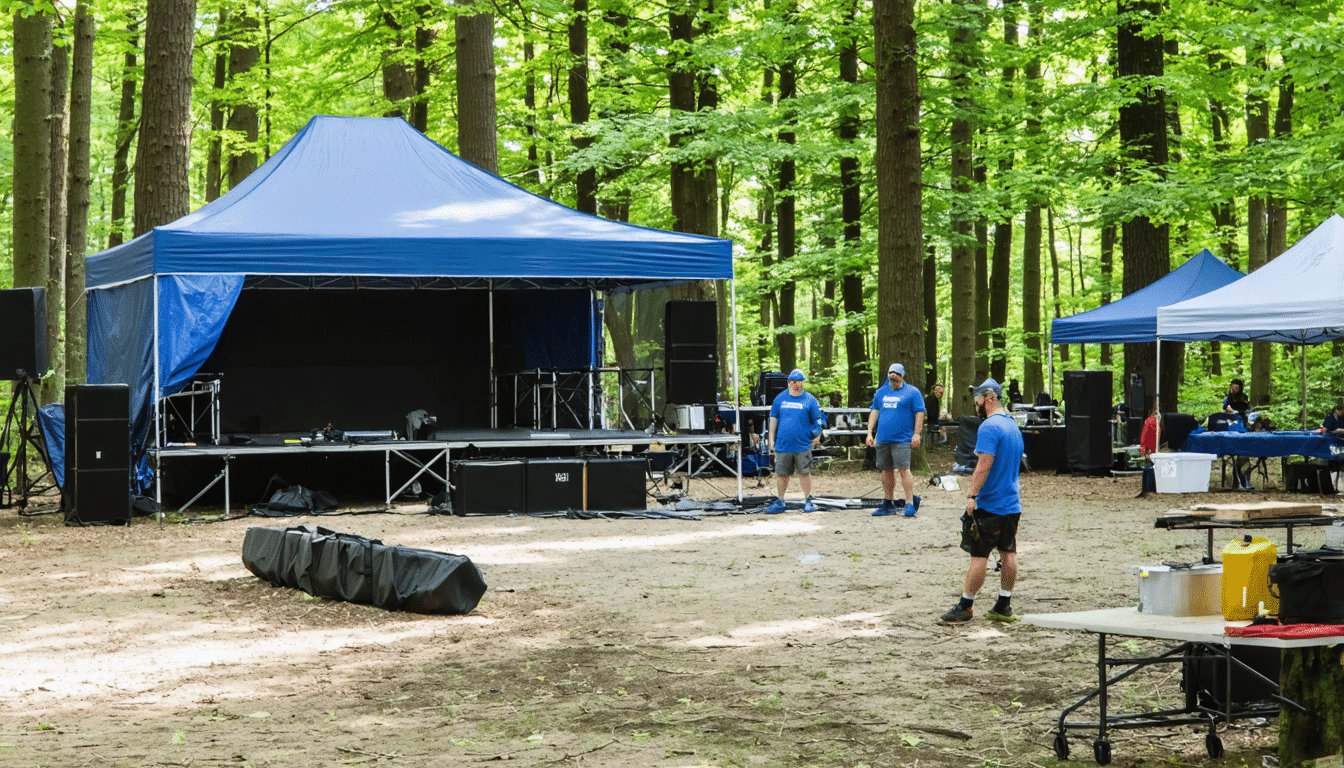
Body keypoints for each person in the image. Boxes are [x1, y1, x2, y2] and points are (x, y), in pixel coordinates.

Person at [941, 378, 1024, 624]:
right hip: (1012, 503)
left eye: (977, 399)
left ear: (989, 398)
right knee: (1008, 552)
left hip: (990, 504)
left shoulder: (989, 427)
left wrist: (972, 495)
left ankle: (966, 606)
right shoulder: (1012, 425)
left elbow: (983, 465)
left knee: (979, 556)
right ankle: (1004, 604)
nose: (975, 404)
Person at [866, 363, 925, 517]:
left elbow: (919, 413)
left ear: (902, 376)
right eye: (891, 376)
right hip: (883, 438)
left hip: (903, 439)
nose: (894, 380)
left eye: (896, 376)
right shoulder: (880, 392)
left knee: (904, 470)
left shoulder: (912, 392)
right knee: (886, 470)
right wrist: (869, 432)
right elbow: (875, 411)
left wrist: (917, 433)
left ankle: (909, 503)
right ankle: (888, 502)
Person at [765, 369, 826, 513]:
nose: (796, 384)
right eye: (793, 382)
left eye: (799, 382)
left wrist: (817, 436)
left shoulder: (810, 400)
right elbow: (773, 420)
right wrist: (771, 439)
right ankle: (780, 501)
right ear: (789, 383)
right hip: (783, 445)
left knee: (804, 473)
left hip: (803, 444)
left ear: (802, 382)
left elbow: (818, 421)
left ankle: (808, 500)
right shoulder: (779, 399)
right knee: (782, 474)